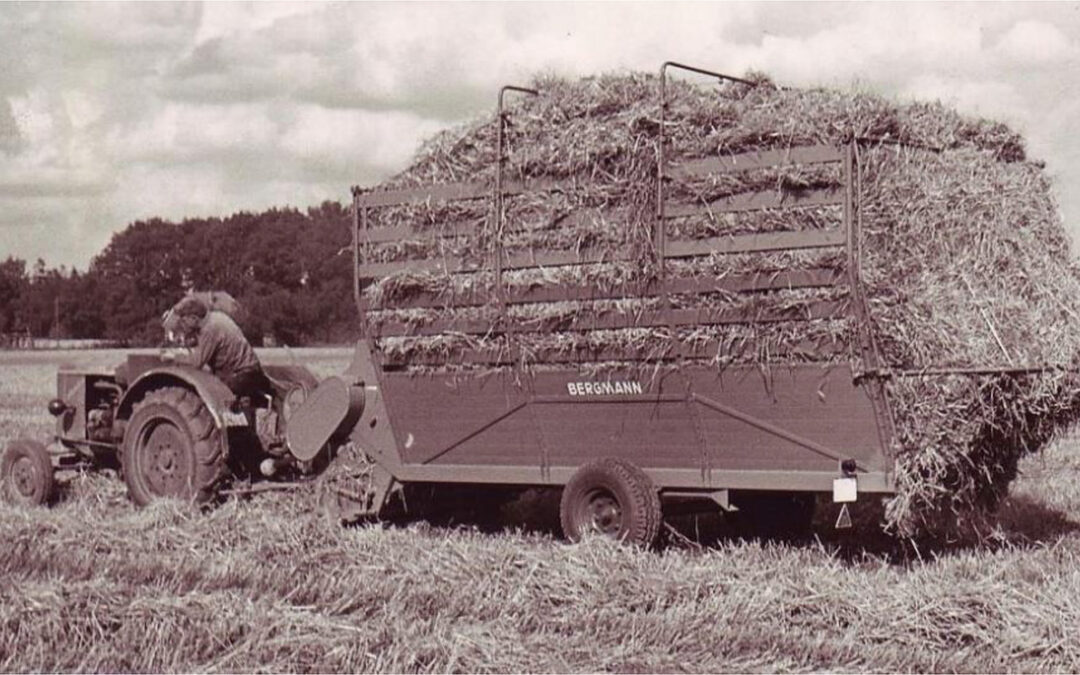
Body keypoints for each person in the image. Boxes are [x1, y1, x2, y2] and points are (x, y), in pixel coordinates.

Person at [170, 296, 271, 402]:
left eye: (183, 320)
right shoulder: (217, 317)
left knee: (199, 393)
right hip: (251, 372)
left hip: (241, 377)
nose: (183, 324)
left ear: (194, 318)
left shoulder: (209, 329)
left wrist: (174, 357)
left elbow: (197, 362)